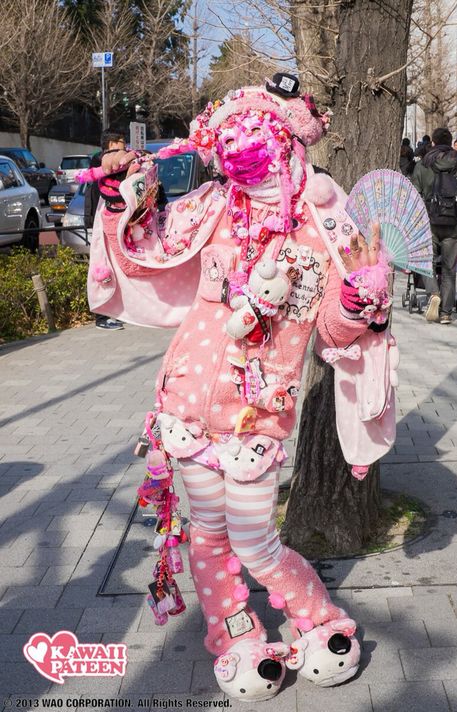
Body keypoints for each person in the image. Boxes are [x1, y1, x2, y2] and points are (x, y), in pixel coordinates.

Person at [88, 74, 394, 701]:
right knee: (206, 532)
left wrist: (362, 297)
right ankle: (235, 636)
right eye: (228, 132)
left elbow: (331, 331)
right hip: (184, 402)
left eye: (255, 130)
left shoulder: (321, 221)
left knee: (256, 541)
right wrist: (125, 195)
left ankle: (320, 622)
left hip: (255, 417)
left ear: (288, 139)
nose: (240, 143)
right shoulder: (211, 205)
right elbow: (149, 244)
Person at [412, 127, 457, 324]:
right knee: (448, 267)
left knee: (426, 262)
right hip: (453, 223)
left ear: (433, 142)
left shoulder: (423, 165)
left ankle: (433, 293)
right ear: (450, 143)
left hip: (429, 222)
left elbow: (414, 194)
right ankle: (446, 313)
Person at [85, 129, 128, 330]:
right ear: (109, 146)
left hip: (112, 221)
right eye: (119, 143)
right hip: (99, 222)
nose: (123, 147)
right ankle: (101, 316)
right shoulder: (100, 161)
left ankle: (114, 311)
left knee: (115, 265)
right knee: (100, 264)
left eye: (124, 143)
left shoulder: (117, 164)